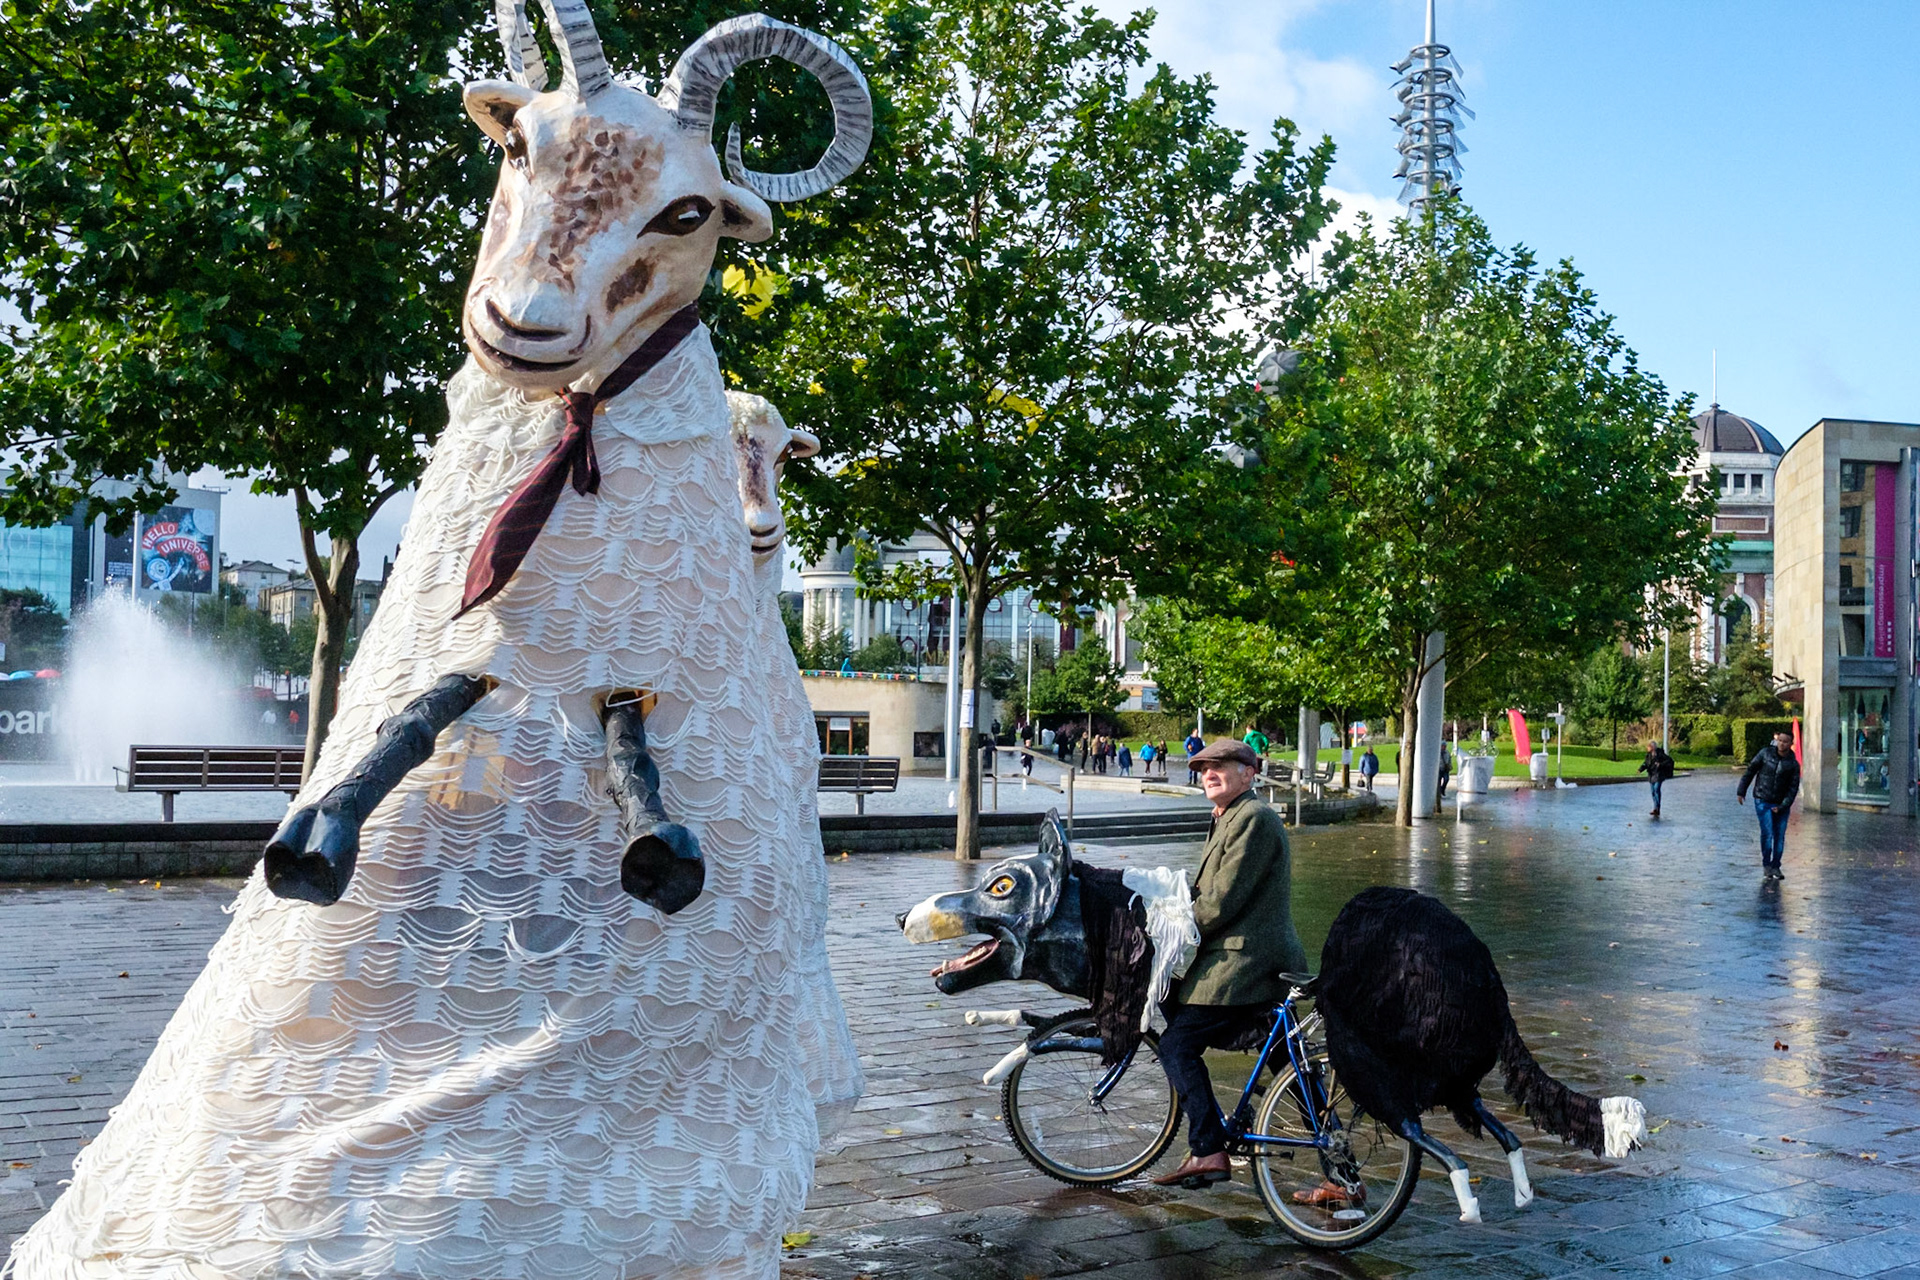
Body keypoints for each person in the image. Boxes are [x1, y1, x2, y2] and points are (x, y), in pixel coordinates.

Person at [1150, 739, 1309, 1189]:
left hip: (1246, 965)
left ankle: (1208, 1148)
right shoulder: (1227, 817)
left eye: (1221, 766)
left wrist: (1164, 929)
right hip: (1250, 960)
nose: (1209, 773)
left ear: (1249, 772)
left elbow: (1220, 903)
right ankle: (1343, 1173)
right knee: (1290, 1069)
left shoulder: (1253, 819)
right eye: (1203, 768)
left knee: (1177, 1046)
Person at [1737, 730, 1801, 880]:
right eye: (1780, 740)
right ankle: (1767, 865)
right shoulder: (1765, 754)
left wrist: (1783, 806)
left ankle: (1776, 865)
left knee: (1779, 836)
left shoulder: (1793, 764)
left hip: (1780, 804)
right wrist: (1741, 790)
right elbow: (1750, 770)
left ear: (1791, 744)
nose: (1782, 744)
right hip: (1763, 799)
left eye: (1786, 741)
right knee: (1767, 833)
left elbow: (1793, 788)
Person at [1639, 741, 1675, 817]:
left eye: (1648, 747)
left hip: (1659, 774)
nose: (1647, 748)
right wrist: (1640, 769)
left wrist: (1660, 764)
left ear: (1652, 747)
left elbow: (1669, 760)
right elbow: (1645, 763)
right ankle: (1655, 807)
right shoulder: (1648, 755)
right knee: (1652, 791)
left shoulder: (1660, 754)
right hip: (1651, 775)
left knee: (1656, 789)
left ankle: (1657, 808)